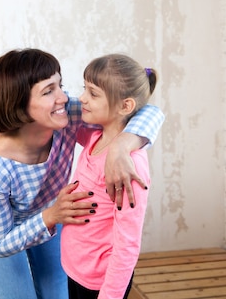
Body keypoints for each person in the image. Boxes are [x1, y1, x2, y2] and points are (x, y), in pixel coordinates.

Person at [0, 48, 165, 299]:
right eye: (49, 91)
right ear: (18, 104)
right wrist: (50, 216)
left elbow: (146, 110)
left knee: (57, 294)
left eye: (60, 85)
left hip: (50, 211)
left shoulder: (67, 116)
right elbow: (1, 244)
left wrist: (122, 146)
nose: (65, 98)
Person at [61, 54, 160, 299]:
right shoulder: (94, 137)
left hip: (101, 282)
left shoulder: (129, 169)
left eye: (93, 94)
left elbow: (127, 243)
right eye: (85, 89)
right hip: (75, 268)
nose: (82, 98)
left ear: (125, 106)